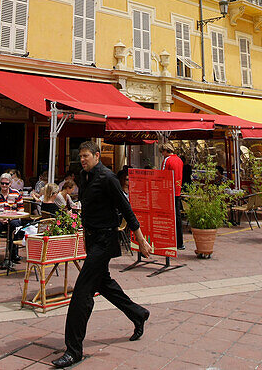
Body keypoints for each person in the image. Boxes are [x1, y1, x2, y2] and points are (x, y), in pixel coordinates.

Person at [54, 142, 152, 368]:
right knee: (103, 283)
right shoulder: (83, 176)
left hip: (105, 240)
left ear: (97, 155)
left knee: (81, 293)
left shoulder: (108, 178)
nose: (83, 159)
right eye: (81, 156)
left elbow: (126, 208)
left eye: (86, 156)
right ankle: (138, 313)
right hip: (91, 238)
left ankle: (74, 350)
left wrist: (140, 237)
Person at [0, 172, 24, 267]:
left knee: (16, 225)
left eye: (6, 183)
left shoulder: (16, 193)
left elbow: (21, 209)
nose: (4, 185)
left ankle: (13, 254)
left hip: (12, 219)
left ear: (10, 184)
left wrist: (11, 217)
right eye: (2, 183)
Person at [160, 142, 184, 250]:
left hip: (168, 192)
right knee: (177, 217)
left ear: (166, 151)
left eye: (162, 152)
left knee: (167, 217)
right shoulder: (179, 160)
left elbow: (162, 176)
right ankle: (180, 242)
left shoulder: (167, 160)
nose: (162, 154)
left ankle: (168, 241)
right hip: (177, 192)